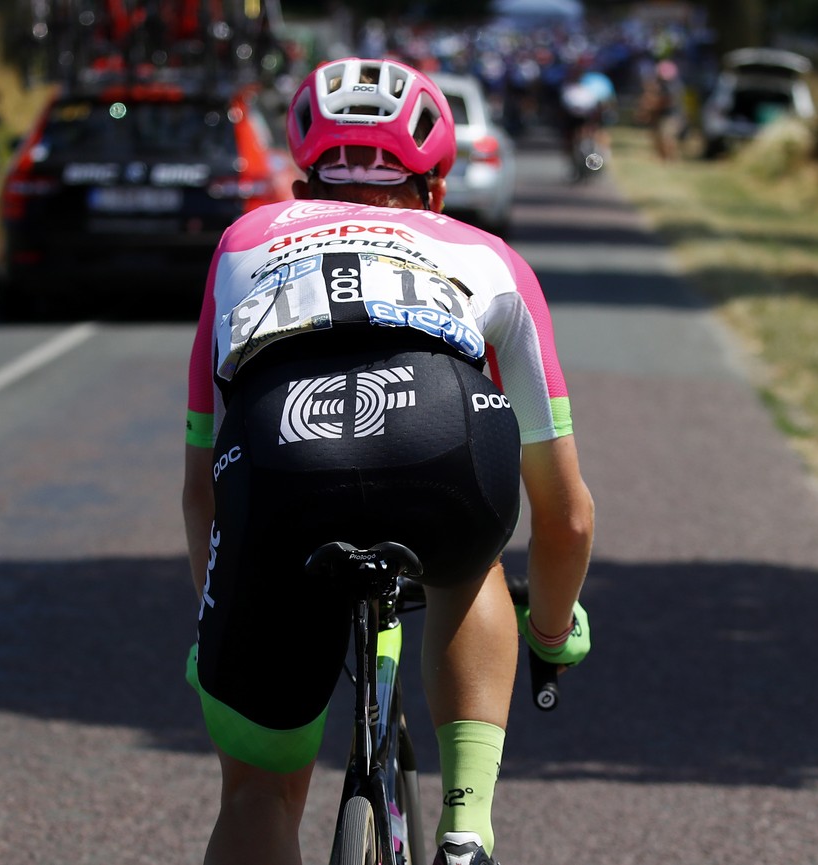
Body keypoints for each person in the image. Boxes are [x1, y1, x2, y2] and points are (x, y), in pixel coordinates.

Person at [182, 57, 595, 865]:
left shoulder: (241, 241)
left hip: (277, 454)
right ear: (434, 189)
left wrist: (219, 619)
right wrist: (549, 631)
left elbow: (201, 491)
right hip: (443, 437)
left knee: (258, 795)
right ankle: (468, 824)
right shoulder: (489, 253)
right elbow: (567, 512)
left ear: (302, 189)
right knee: (468, 561)